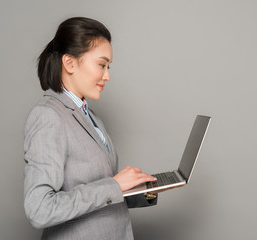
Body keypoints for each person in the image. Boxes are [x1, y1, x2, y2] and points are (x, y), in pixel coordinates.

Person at [24, 17, 177, 240]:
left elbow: (105, 194)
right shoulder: (48, 116)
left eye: (108, 66)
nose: (107, 75)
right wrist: (114, 184)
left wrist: (144, 191)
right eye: (101, 65)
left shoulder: (91, 116)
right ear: (69, 63)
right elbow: (39, 209)